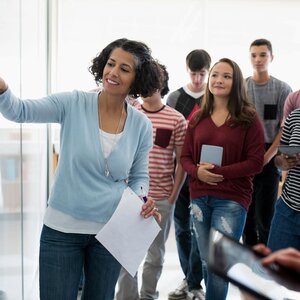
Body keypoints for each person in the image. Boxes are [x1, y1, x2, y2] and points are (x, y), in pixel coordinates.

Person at [0, 38, 162, 300]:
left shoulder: (141, 124)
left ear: (137, 79)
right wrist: (3, 88)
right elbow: (20, 111)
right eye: (110, 64)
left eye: (124, 68)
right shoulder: (73, 103)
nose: (113, 73)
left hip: (111, 232)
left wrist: (142, 200)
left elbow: (139, 176)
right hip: (61, 231)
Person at [181, 58, 265, 300]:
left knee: (219, 265)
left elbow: (256, 162)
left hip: (231, 199)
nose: (218, 80)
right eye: (215, 75)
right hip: (199, 197)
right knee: (208, 261)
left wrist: (219, 172)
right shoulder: (197, 117)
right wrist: (197, 172)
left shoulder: (248, 119)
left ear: (235, 81)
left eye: (226, 76)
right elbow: (185, 156)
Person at [116, 63, 187, 300]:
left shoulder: (176, 119)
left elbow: (182, 161)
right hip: (130, 195)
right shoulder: (130, 112)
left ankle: (148, 296)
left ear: (161, 84)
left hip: (161, 197)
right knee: (128, 254)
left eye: (152, 81)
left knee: (155, 254)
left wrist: (173, 195)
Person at [167, 49, 211, 300]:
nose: (197, 79)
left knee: (199, 230)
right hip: (179, 171)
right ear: (187, 70)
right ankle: (190, 279)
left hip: (203, 173)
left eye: (202, 74)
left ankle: (195, 282)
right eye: (194, 74)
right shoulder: (175, 97)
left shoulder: (213, 96)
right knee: (182, 229)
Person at [243, 38, 293, 246]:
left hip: (270, 154)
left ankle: (266, 269)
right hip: (244, 154)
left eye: (263, 55)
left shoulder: (283, 89)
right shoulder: (242, 86)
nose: (258, 59)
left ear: (272, 57)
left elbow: (284, 129)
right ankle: (247, 267)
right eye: (254, 55)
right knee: (245, 215)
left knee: (265, 217)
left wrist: (266, 157)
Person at [266, 108, 300, 252]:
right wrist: (283, 162)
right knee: (273, 271)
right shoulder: (296, 116)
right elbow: (279, 158)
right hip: (287, 210)